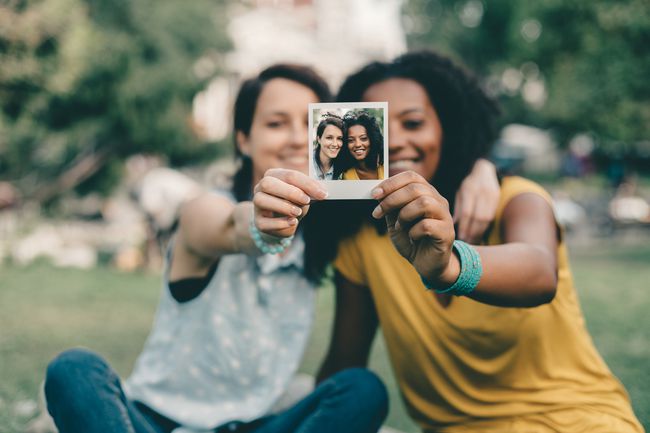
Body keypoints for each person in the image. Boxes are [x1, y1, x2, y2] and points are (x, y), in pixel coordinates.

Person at [43, 64, 389, 433]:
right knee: (73, 371)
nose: (294, 139)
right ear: (243, 139)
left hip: (255, 425)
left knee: (362, 389)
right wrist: (263, 225)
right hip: (154, 422)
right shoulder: (206, 208)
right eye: (276, 124)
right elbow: (229, 225)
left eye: (309, 126)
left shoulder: (322, 238)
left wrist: (461, 181)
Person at [314, 51, 644, 432]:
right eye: (378, 130)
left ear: (447, 129)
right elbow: (342, 367)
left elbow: (539, 271)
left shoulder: (515, 198)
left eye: (414, 122)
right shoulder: (362, 243)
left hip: (576, 421)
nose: (397, 141)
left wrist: (450, 266)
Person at [340, 111, 384, 180]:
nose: (357, 144)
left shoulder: (385, 164)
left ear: (373, 139)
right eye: (350, 140)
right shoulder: (344, 174)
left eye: (363, 138)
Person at [312, 114, 344, 180]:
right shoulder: (309, 162)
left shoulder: (343, 166)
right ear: (319, 139)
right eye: (329, 138)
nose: (335, 144)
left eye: (339, 138)